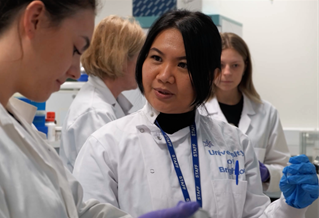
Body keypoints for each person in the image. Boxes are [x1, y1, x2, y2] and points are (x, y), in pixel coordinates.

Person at [73, 9, 319, 218]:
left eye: (184, 64)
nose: (164, 75)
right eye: (156, 58)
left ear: (210, 76)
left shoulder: (234, 143)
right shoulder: (105, 147)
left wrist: (289, 207)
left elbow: (254, 214)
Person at [0, 1, 200, 217]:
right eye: (76, 49)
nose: (76, 72)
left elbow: (75, 208)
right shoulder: (94, 111)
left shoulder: (20, 126)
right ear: (35, 20)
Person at [199, 32, 290, 195]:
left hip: (254, 207)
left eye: (235, 65)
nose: (227, 72)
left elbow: (283, 168)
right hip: (211, 203)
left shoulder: (267, 113)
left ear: (245, 66)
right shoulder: (197, 110)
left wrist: (267, 173)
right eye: (220, 65)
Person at [60, 15, 145, 172]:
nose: (143, 67)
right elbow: (103, 176)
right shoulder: (94, 112)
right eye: (140, 58)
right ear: (121, 59)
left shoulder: (107, 104)